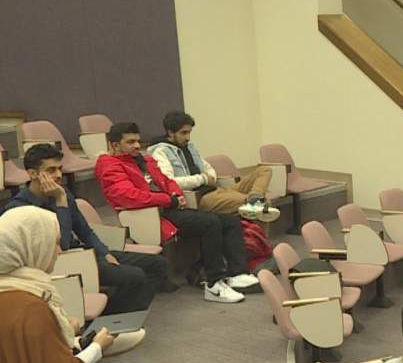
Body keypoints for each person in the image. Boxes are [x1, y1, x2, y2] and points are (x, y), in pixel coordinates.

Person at [0, 207, 178, 363]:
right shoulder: (29, 307)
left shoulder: (12, 288)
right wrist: (96, 347)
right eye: (54, 243)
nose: (60, 251)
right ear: (32, 246)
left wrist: (65, 332)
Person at [94, 122, 258, 304]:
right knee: (210, 223)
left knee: (229, 221)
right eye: (130, 142)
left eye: (138, 141)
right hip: (151, 215)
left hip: (169, 208)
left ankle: (237, 273)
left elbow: (167, 180)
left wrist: (177, 195)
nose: (137, 146)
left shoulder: (143, 160)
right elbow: (129, 196)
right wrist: (169, 200)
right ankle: (214, 284)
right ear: (115, 145)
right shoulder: (109, 166)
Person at [3, 143, 170, 313]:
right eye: (51, 170)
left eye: (60, 169)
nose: (59, 175)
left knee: (157, 264)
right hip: (62, 263)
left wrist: (105, 253)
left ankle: (115, 315)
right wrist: (61, 202)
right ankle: (107, 322)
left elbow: (84, 230)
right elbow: (63, 244)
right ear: (32, 174)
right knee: (134, 276)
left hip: (84, 254)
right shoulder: (19, 209)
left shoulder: (63, 193)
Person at [147, 111, 279, 222]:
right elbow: (170, 182)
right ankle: (259, 247)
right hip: (202, 197)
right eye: (183, 133)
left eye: (189, 132)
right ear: (170, 132)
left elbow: (209, 169)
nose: (188, 137)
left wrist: (209, 177)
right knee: (262, 205)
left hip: (217, 189)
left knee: (264, 170)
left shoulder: (189, 147)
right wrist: (203, 178)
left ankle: (254, 196)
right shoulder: (161, 152)